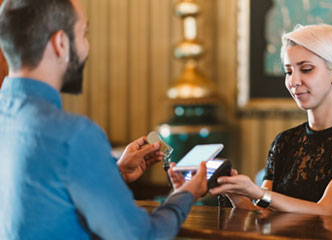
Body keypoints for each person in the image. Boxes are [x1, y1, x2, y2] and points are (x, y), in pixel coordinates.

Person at [0, 0, 207, 239]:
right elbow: (142, 236)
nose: (87, 46)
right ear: (61, 43)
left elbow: (41, 201)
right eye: (83, 34)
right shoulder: (74, 136)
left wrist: (112, 173)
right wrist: (186, 194)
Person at [210, 24, 332, 218]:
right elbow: (263, 216)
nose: (293, 81)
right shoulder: (284, 141)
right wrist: (235, 192)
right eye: (288, 71)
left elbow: (328, 212)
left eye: (306, 69)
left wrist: (259, 193)